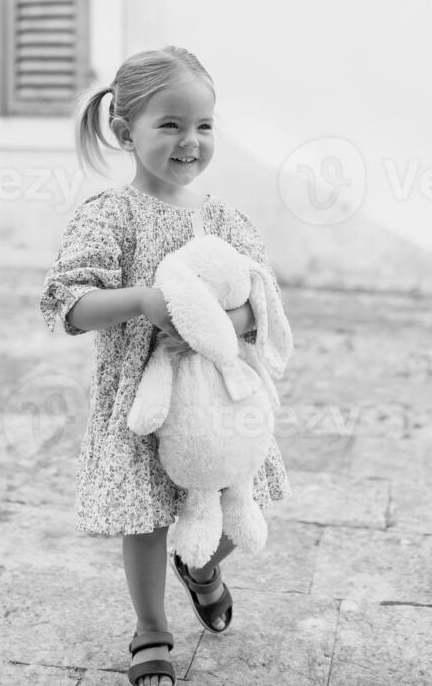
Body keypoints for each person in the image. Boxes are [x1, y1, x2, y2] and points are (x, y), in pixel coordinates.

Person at [39, 45, 291, 686]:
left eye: (203, 125)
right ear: (126, 132)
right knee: (148, 519)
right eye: (170, 125)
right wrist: (147, 302)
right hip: (140, 405)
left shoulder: (224, 220)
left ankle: (204, 567)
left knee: (242, 499)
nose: (190, 141)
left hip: (219, 400)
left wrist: (215, 326)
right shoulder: (110, 216)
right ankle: (151, 631)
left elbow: (262, 305)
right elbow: (68, 303)